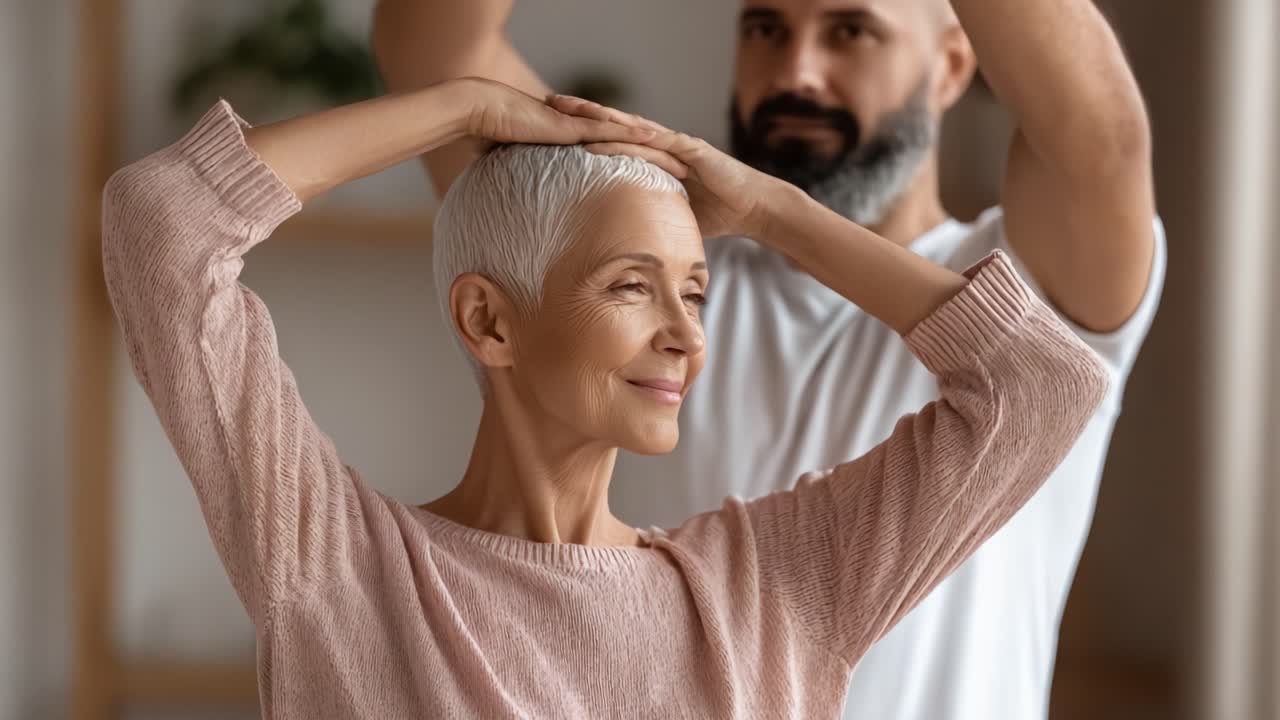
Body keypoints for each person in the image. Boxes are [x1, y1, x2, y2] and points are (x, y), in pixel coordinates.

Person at [102, 77, 1107, 718]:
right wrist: (460, 109)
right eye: (632, 285)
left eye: (696, 290)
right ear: (489, 321)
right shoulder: (338, 574)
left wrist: (768, 207)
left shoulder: (776, 593)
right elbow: (163, 224)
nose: (683, 331)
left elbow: (1039, 386)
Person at [372, 1, 1167, 717]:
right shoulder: (636, 272)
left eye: (850, 31)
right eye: (765, 28)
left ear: (953, 63)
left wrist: (771, 210)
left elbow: (1104, 137)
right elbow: (431, 39)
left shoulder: (1021, 287)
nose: (796, 72)